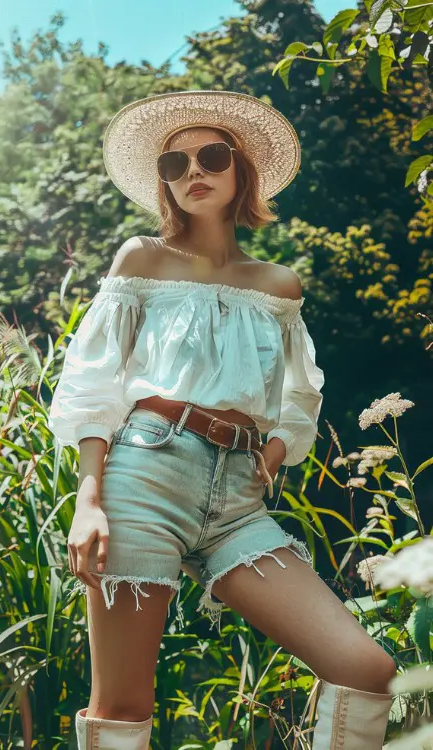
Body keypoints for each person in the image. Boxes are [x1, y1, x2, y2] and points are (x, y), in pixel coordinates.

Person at [48, 90, 396, 750]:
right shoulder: (141, 260)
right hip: (142, 477)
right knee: (120, 706)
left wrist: (272, 454)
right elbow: (92, 382)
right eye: (174, 165)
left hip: (238, 500)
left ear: (241, 170)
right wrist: (88, 499)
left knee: (366, 668)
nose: (192, 172)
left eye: (210, 155)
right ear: (164, 183)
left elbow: (300, 396)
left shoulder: (278, 285)